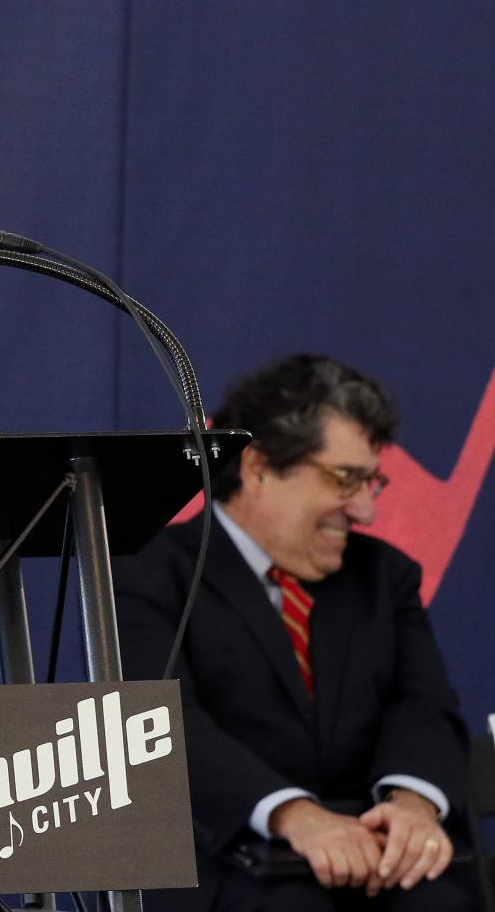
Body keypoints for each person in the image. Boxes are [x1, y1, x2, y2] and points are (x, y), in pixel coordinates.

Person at [117, 354, 475, 912]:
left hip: (374, 857)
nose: (366, 511)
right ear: (259, 467)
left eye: (371, 482)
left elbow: (422, 705)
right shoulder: (151, 577)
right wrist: (292, 815)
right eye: (345, 479)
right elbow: (160, 730)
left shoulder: (384, 577)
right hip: (227, 859)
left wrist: (412, 804)